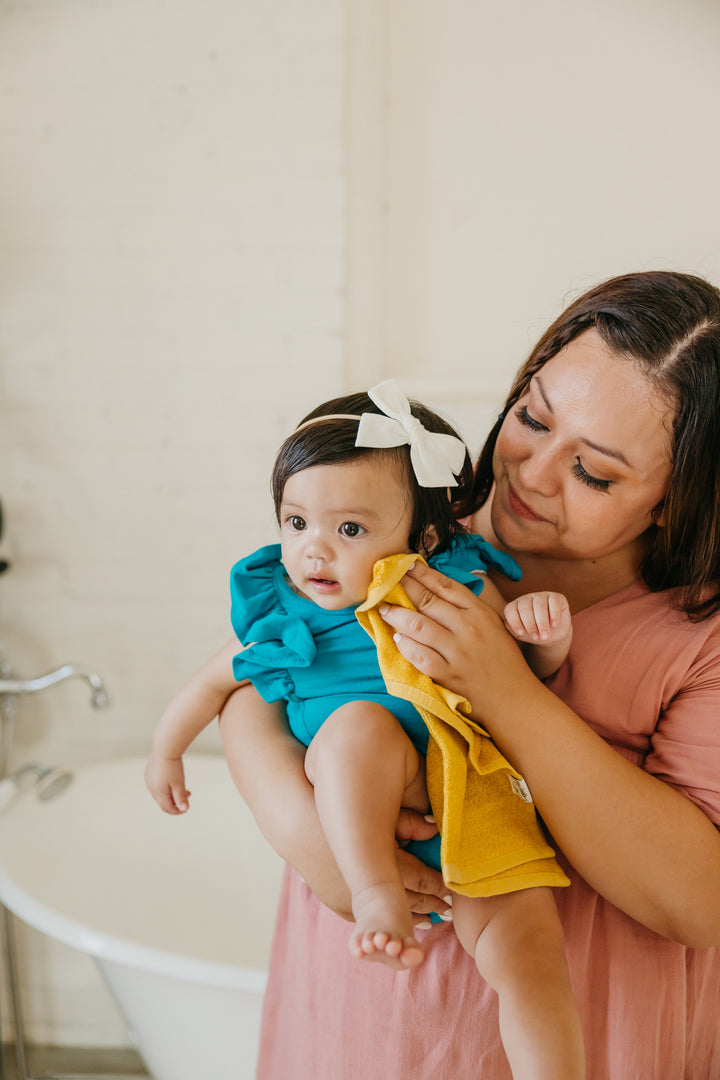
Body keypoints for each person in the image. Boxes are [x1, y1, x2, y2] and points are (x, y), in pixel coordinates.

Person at [217, 270, 720, 1080]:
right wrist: (310, 839)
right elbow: (252, 685)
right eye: (532, 418)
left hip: (593, 1027)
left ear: (675, 498)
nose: (530, 472)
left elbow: (699, 903)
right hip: (373, 1014)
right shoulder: (399, 525)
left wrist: (509, 691)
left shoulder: (696, 635)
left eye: (594, 473)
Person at [146, 381, 584, 1079]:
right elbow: (215, 679)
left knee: (530, 957)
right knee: (354, 728)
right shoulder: (293, 618)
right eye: (296, 524)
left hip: (472, 791)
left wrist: (547, 638)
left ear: (427, 537)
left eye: (348, 529)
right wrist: (167, 749)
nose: (314, 551)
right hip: (373, 799)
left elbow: (524, 673)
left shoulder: (452, 583)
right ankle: (377, 894)